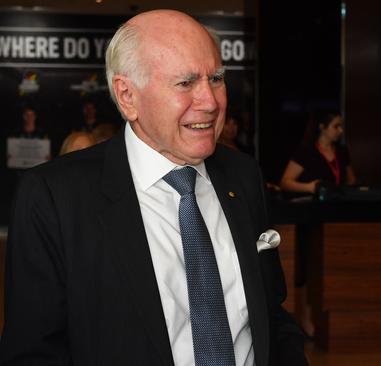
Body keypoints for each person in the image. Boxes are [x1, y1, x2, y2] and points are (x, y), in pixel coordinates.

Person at [0, 9, 306, 366]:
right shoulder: (54, 198)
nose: (210, 102)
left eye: (217, 78)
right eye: (186, 83)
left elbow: (270, 315)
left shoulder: (242, 176)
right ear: (128, 96)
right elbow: (33, 353)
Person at [279, 110, 356, 194]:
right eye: (336, 126)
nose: (341, 130)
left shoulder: (342, 151)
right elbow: (284, 183)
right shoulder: (306, 151)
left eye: (341, 126)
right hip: (313, 204)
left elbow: (351, 180)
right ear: (322, 127)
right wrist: (308, 187)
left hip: (337, 203)